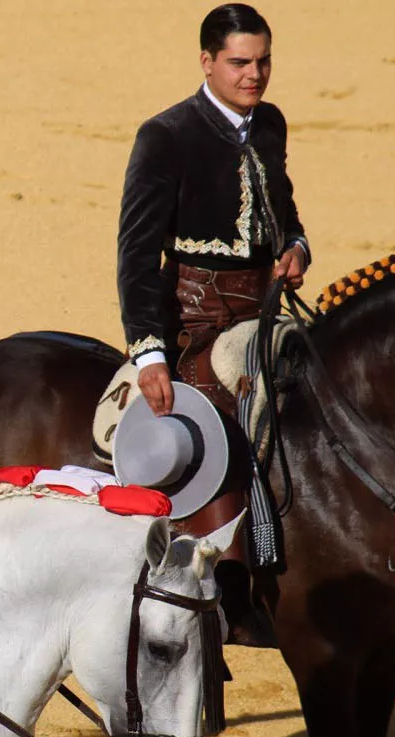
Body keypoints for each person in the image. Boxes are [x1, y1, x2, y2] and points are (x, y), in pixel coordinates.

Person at [115, 3, 307, 645]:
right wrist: (149, 354)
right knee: (224, 421)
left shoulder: (269, 123)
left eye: (263, 62)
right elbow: (137, 254)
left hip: (264, 309)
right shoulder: (166, 136)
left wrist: (296, 248)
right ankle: (229, 583)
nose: (255, 75)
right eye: (239, 63)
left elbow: (285, 211)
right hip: (198, 319)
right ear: (207, 62)